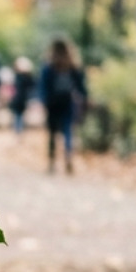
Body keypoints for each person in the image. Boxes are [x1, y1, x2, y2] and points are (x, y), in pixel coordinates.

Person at [39, 38, 86, 175]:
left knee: (52, 135)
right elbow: (81, 86)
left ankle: (52, 163)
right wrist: (84, 98)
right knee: (68, 133)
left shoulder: (49, 66)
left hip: (52, 104)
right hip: (67, 103)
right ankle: (68, 159)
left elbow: (43, 86)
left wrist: (43, 101)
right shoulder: (72, 65)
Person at [8, 56, 36, 134]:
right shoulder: (16, 76)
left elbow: (32, 86)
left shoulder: (27, 77)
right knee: (17, 116)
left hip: (23, 100)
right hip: (17, 100)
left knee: (20, 116)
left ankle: (19, 131)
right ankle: (18, 131)